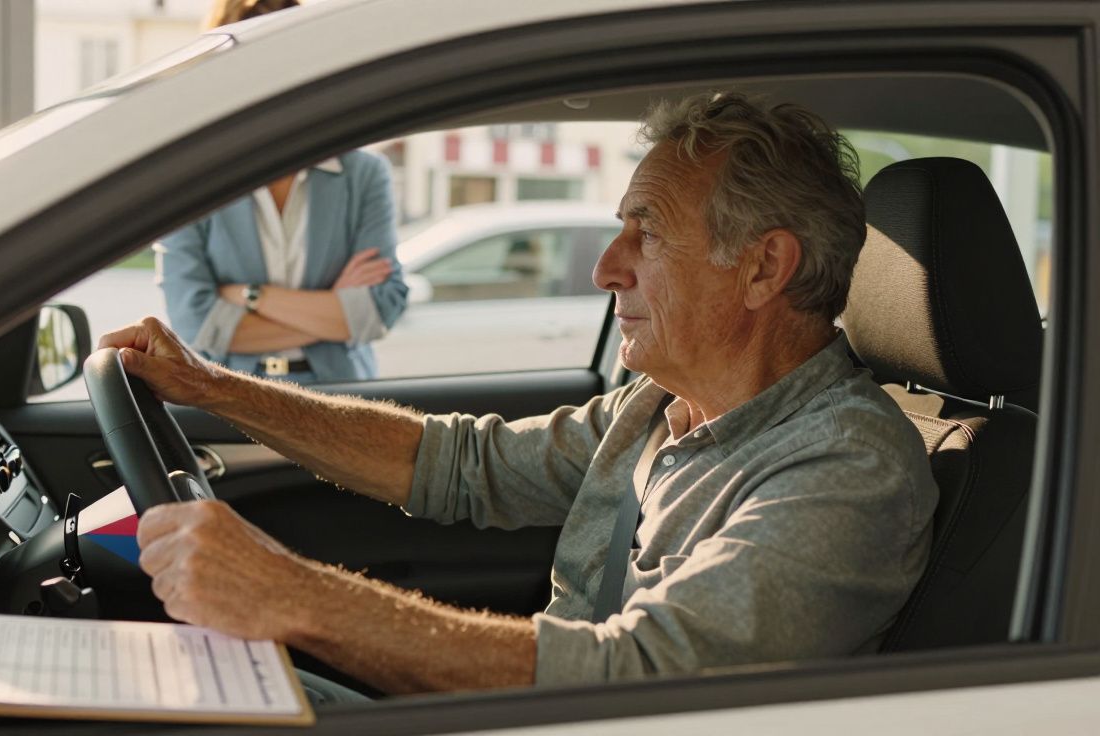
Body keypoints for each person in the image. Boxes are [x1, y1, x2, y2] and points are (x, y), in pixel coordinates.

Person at [101, 93, 939, 700]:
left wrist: (294, 594)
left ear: (763, 267)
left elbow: (640, 682)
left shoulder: (849, 467)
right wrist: (210, 387)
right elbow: (457, 464)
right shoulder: (657, 407)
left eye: (647, 232)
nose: (607, 266)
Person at [157, 0, 407, 384]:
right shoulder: (192, 180)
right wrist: (334, 314)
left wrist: (248, 296)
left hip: (343, 399)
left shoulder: (363, 174)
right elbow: (197, 324)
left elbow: (378, 310)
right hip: (232, 398)